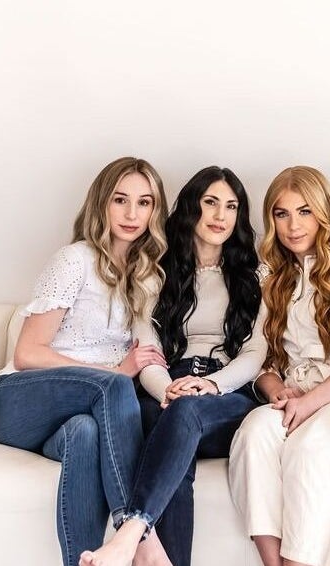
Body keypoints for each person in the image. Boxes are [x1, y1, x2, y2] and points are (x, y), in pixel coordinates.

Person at [0, 157, 171, 566]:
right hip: (17, 403)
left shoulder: (147, 276)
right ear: (101, 203)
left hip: (76, 416)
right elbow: (28, 353)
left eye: (144, 203)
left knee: (85, 434)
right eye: (120, 200)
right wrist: (115, 373)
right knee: (116, 386)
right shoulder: (75, 260)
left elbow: (147, 349)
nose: (132, 213)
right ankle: (140, 541)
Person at [81, 166, 266, 566]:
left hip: (227, 393)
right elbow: (146, 347)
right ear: (191, 207)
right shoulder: (153, 272)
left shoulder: (256, 275)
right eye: (210, 202)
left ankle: (131, 533)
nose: (220, 215)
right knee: (169, 446)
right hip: (168, 384)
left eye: (231, 206)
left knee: (183, 415)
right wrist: (167, 389)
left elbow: (255, 353)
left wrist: (211, 385)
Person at [227, 166, 330, 566]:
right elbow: (262, 355)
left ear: (322, 215)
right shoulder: (273, 279)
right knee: (253, 433)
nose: (293, 225)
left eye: (305, 212)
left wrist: (310, 402)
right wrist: (277, 391)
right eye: (281, 214)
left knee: (309, 449)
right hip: (295, 393)